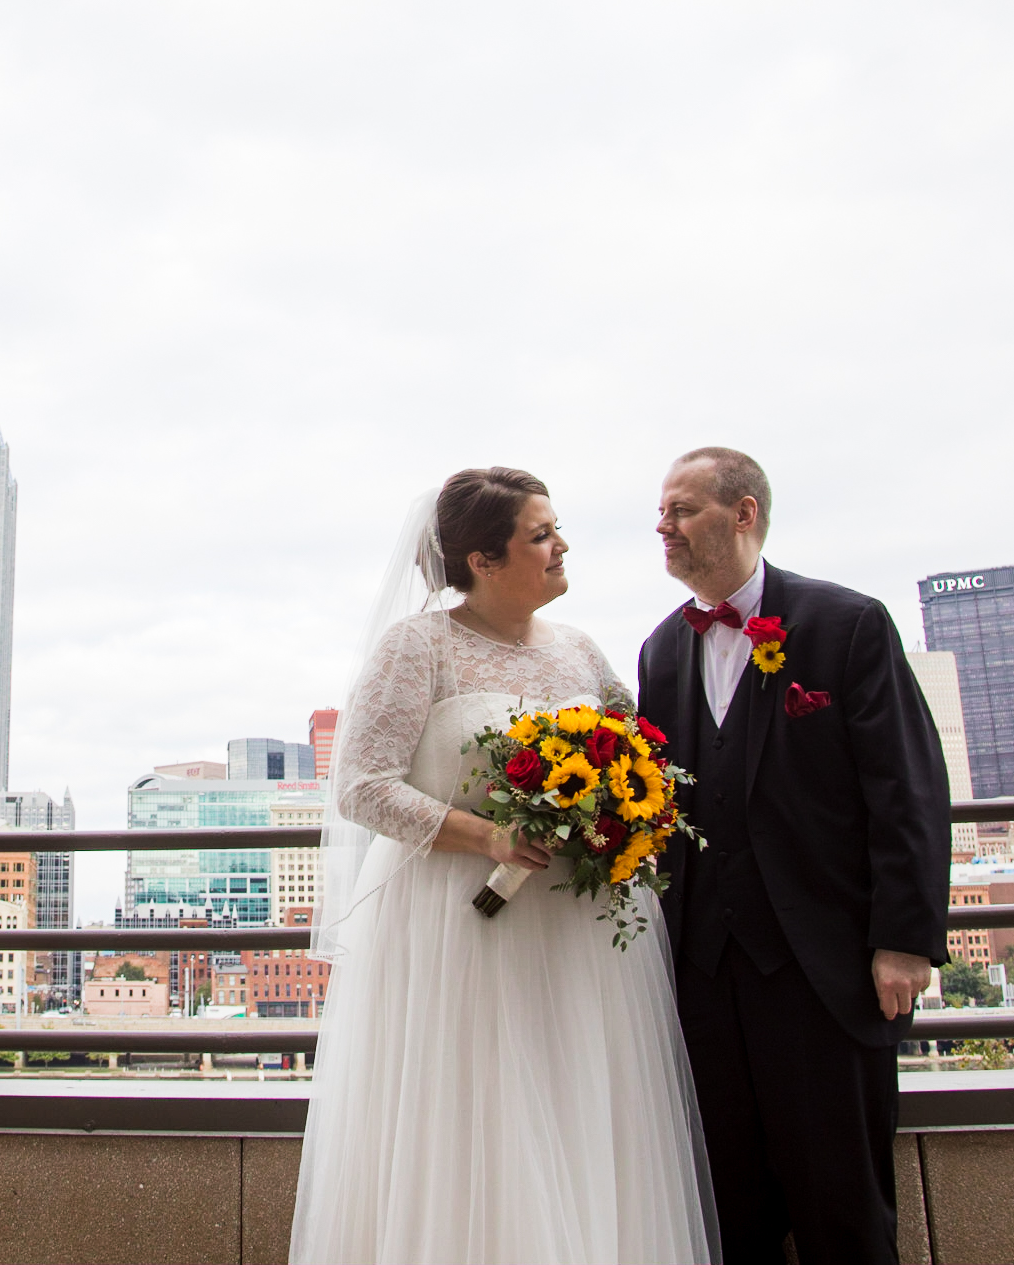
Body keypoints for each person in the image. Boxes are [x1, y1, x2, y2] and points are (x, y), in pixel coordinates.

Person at [290, 467, 716, 1264]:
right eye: (541, 534)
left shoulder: (583, 652)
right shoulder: (419, 646)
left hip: (583, 939)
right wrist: (483, 836)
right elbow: (360, 786)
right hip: (461, 931)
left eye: (556, 529)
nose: (561, 546)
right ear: (484, 559)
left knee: (584, 1112)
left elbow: (641, 762)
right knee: (476, 1122)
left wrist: (620, 815)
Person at [637, 447, 950, 1265]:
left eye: (682, 509)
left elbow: (905, 787)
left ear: (743, 513)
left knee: (841, 1205)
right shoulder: (660, 650)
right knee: (726, 1211)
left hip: (825, 972)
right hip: (702, 979)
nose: (662, 526)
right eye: (661, 512)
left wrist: (905, 939)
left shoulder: (848, 623)